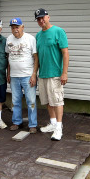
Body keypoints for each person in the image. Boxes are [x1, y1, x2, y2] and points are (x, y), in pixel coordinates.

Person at [34, 8, 69, 140]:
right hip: (43, 74)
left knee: (57, 101)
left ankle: (59, 128)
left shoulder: (58, 31)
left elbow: (65, 53)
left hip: (55, 74)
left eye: (43, 17)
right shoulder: (38, 36)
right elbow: (37, 57)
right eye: (38, 19)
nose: (41, 20)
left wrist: (64, 73)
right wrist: (35, 73)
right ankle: (53, 124)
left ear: (48, 17)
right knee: (48, 101)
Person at [6, 18, 38, 134]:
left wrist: (34, 74)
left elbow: (36, 57)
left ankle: (33, 124)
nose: (15, 30)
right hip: (14, 76)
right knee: (15, 100)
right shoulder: (9, 39)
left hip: (28, 75)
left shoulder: (30, 39)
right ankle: (17, 122)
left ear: (22, 27)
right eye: (13, 27)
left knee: (31, 101)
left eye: (17, 27)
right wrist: (8, 73)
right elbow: (8, 58)